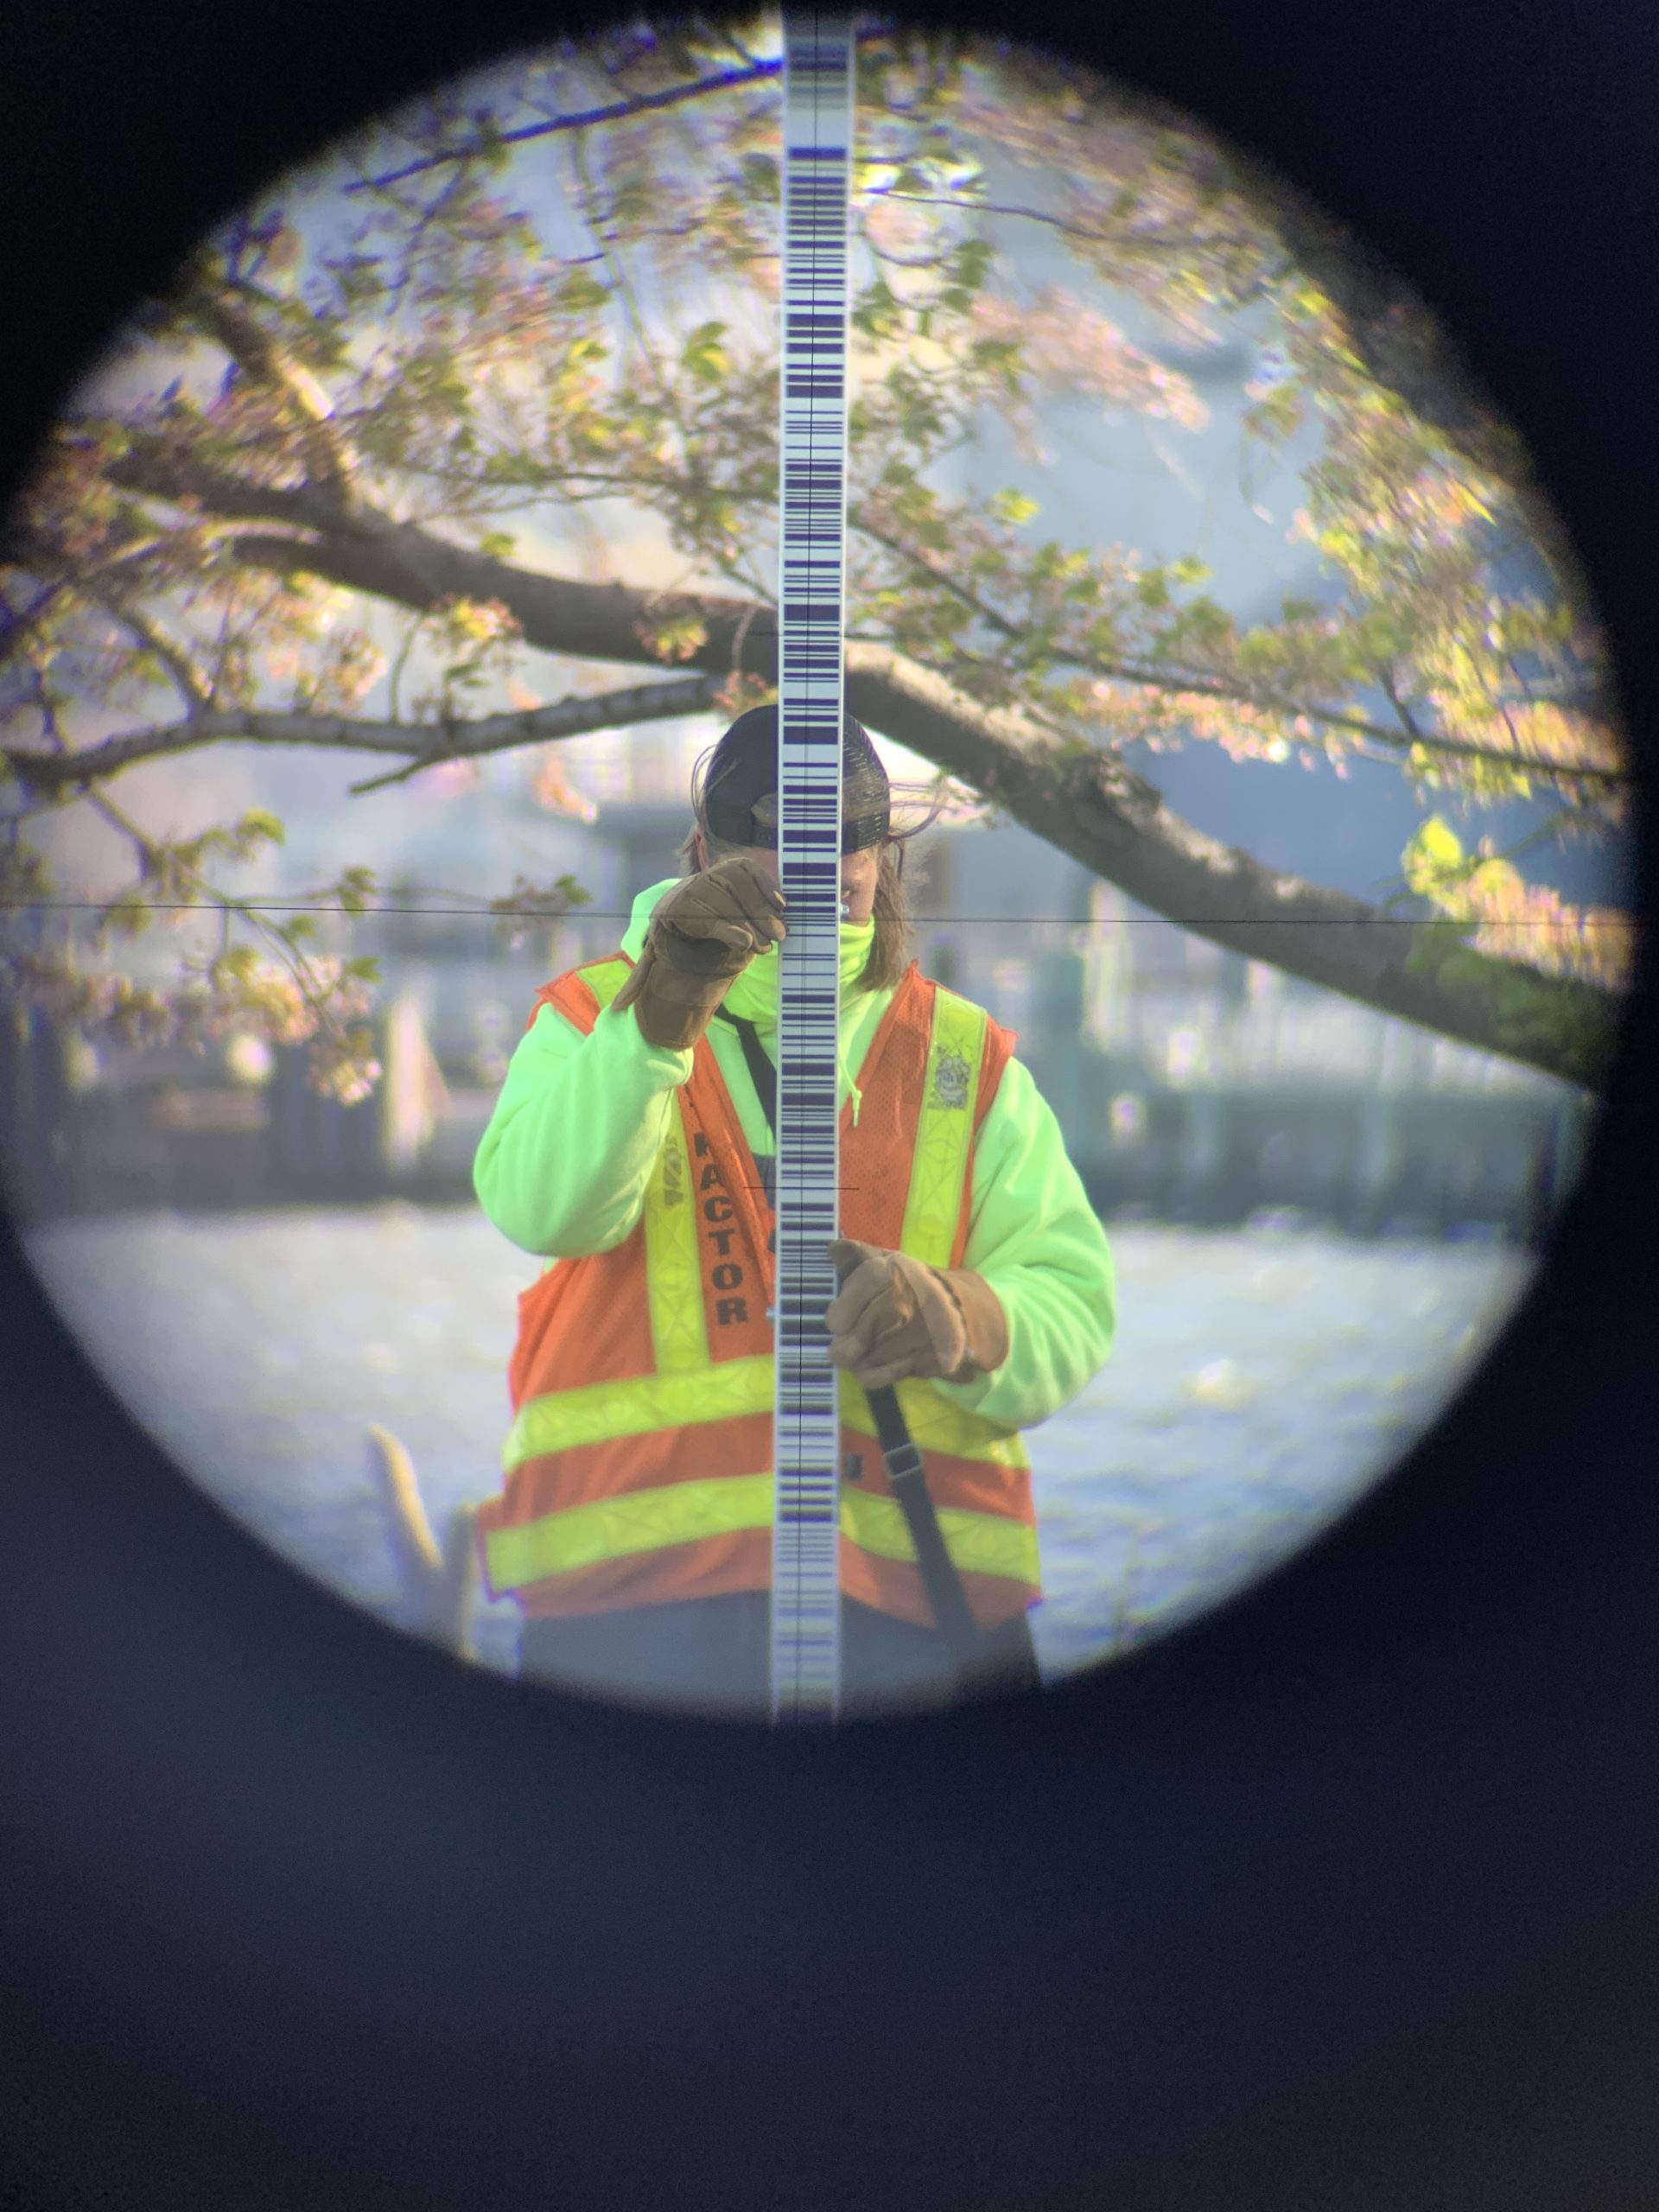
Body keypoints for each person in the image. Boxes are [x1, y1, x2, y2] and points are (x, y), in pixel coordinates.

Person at [472, 705, 1115, 1717]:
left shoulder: (961, 1055)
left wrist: (953, 1316)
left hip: (917, 1607)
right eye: (775, 860)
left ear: (881, 862)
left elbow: (1073, 1304)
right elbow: (544, 1208)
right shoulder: (597, 1019)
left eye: (844, 861)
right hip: (634, 1611)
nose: (814, 887)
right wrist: (654, 1022)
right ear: (704, 854)